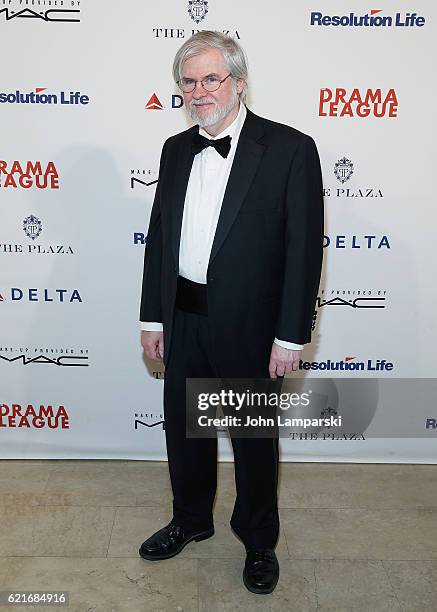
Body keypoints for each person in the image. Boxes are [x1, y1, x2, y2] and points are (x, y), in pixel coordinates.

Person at [138, 31, 324, 595]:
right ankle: (191, 519)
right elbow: (159, 238)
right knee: (185, 433)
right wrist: (153, 318)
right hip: (183, 317)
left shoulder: (290, 149)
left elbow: (303, 251)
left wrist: (291, 335)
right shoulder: (175, 149)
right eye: (189, 82)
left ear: (238, 82)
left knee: (251, 440)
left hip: (251, 325)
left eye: (210, 79)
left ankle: (259, 539)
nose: (199, 91)